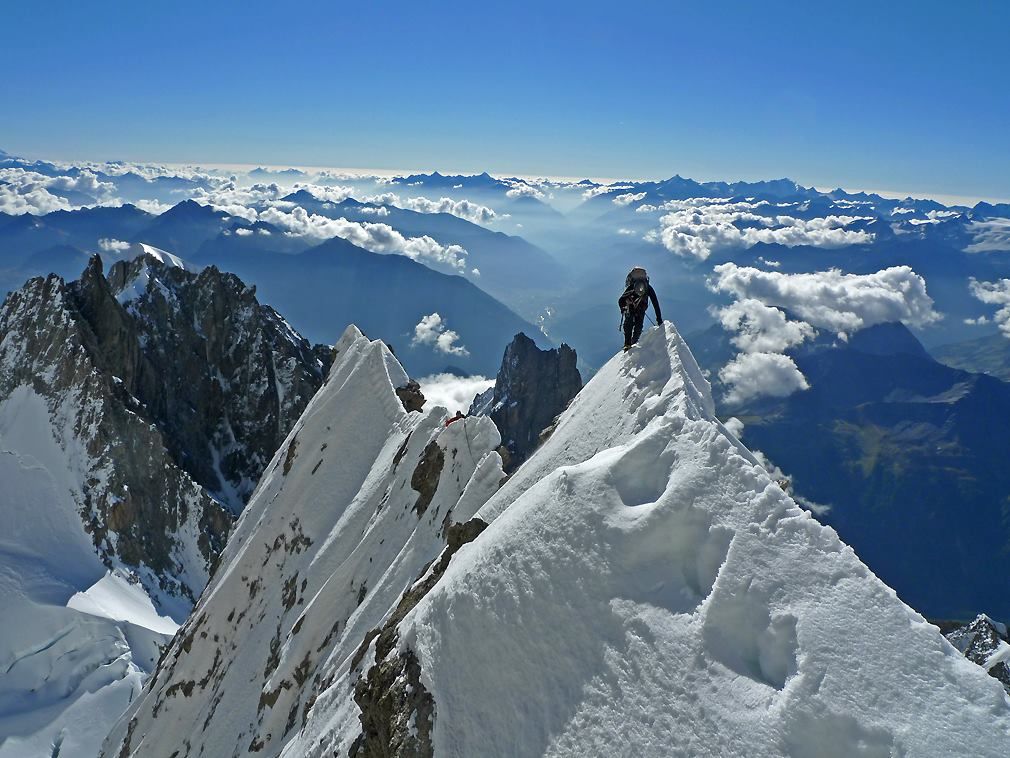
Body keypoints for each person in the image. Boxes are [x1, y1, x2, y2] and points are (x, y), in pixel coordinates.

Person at [619, 266, 662, 350]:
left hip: (630, 309)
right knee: (638, 327)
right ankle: (634, 342)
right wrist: (659, 320)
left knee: (628, 324)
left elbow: (621, 300)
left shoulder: (631, 287)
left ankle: (627, 344)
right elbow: (655, 304)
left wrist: (623, 308)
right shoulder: (648, 288)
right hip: (641, 310)